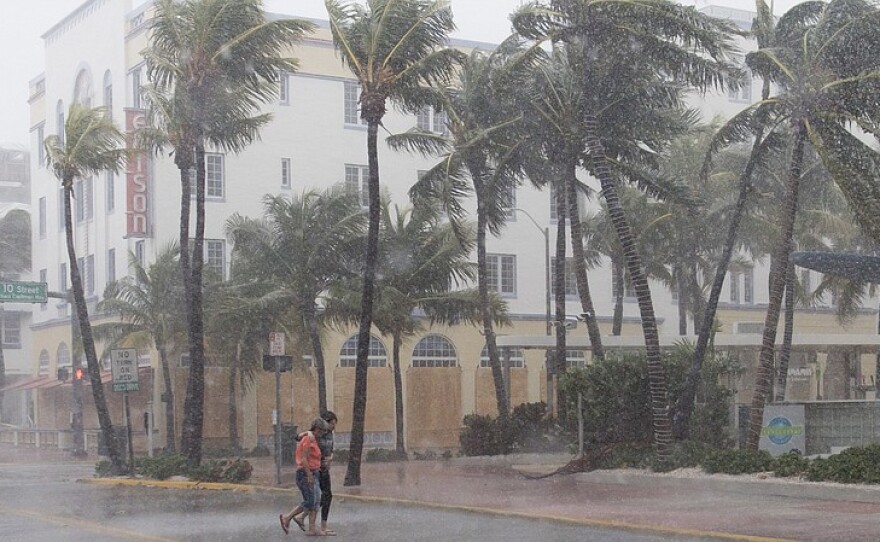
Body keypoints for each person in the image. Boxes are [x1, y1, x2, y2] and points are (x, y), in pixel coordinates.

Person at [280, 417, 329, 536]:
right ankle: (287, 518)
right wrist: (309, 475)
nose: (322, 434)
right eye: (322, 431)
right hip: (305, 473)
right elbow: (304, 458)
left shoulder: (313, 438)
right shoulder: (308, 439)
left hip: (315, 472)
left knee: (316, 501)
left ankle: (312, 528)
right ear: (317, 429)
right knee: (310, 501)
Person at [317, 411, 337, 536]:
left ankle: (300, 516)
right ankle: (322, 526)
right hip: (316, 469)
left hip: (325, 469)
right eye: (332, 423)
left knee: (325, 496)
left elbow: (331, 450)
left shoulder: (330, 435)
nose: (334, 426)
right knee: (322, 496)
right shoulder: (318, 435)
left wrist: (330, 457)